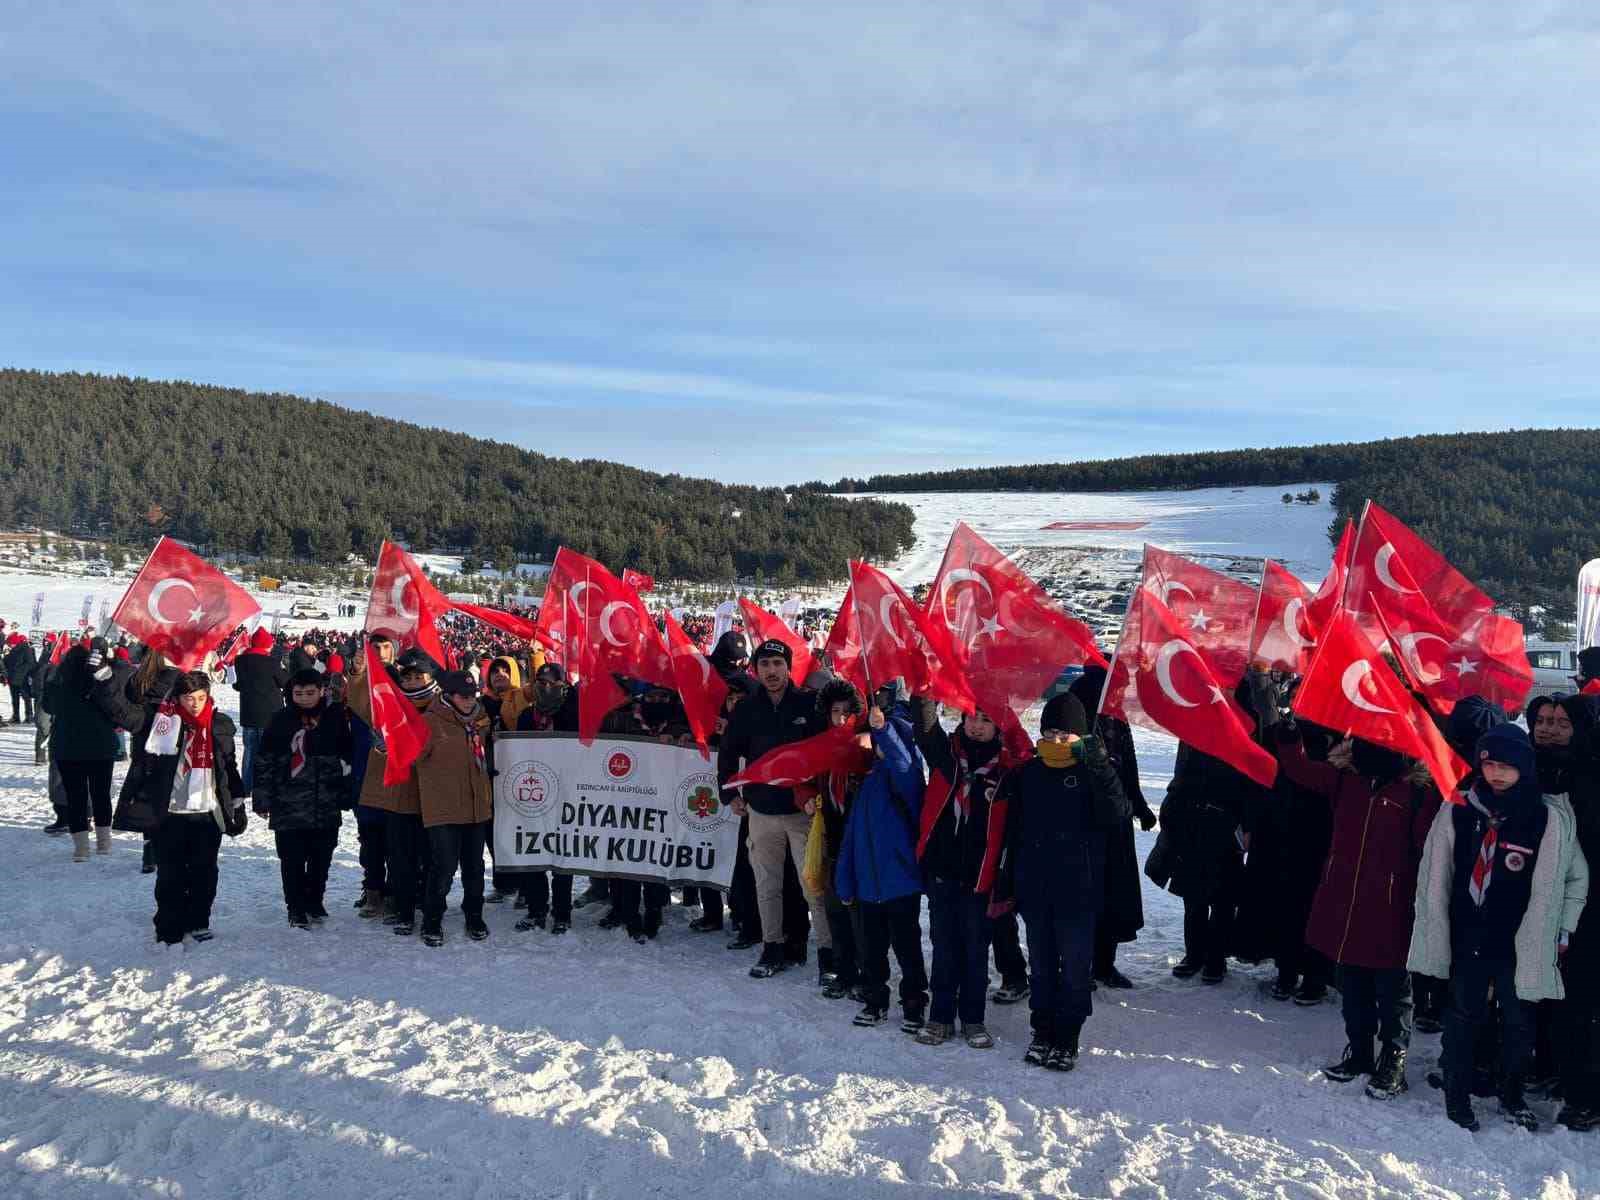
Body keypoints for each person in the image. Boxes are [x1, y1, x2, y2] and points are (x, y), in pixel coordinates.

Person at [1409, 722, 1590, 1131]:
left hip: (1521, 939)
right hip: (1468, 934)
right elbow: (1435, 870)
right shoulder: (1460, 807)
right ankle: (1456, 1093)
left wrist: (1564, 927)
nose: (1497, 774)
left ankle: (1512, 1092)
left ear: (1524, 767)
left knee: (1518, 1022)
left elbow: (1576, 877)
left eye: (1508, 766)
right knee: (1462, 1015)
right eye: (1490, 764)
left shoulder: (1546, 817)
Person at [1272, 718, 1440, 1100]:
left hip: (1393, 905)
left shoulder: (1417, 791)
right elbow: (1301, 771)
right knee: (1353, 984)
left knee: (1394, 990)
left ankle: (1393, 1059)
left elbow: (1427, 851)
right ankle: (1361, 1052)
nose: (1376, 745)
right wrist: (1289, 737)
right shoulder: (1347, 778)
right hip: (1345, 900)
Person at [994, 692, 1130, 1071]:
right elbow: (1013, 833)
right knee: (1040, 967)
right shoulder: (1029, 774)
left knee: (1074, 969)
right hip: (1036, 890)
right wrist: (1013, 883)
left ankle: (1067, 1035)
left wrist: (1101, 766)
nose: (1056, 741)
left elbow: (1117, 814)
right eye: (1050, 732)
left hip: (1078, 892)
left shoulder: (1091, 773)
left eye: (1065, 735)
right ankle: (1042, 1029)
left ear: (1081, 737)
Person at [718, 639, 827, 977]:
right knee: (767, 885)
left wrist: (817, 794)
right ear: (756, 669)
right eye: (764, 665)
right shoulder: (747, 709)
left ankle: (827, 956)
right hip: (761, 813)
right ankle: (772, 949)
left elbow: (824, 753)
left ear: (788, 667)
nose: (771, 672)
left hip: (801, 813)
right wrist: (728, 794)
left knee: (814, 888)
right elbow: (728, 753)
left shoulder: (809, 705)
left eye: (777, 664)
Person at [118, 671, 246, 945]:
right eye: (189, 698)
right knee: (170, 874)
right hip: (170, 812)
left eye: (201, 698)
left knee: (205, 872)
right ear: (177, 698)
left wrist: (237, 800)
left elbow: (228, 766)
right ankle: (168, 924)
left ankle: (199, 920)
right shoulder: (162, 722)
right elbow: (123, 714)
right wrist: (104, 678)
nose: (195, 704)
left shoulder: (218, 724)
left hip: (206, 812)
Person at [910, 692, 1007, 1048]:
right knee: (944, 945)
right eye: (970, 718)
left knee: (976, 948)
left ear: (998, 725)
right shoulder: (947, 755)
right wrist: (925, 685)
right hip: (943, 872)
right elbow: (924, 727)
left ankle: (973, 1018)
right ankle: (939, 1016)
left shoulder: (1007, 767)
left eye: (985, 719)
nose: (976, 727)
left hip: (981, 876)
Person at [834, 685, 928, 1032]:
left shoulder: (908, 778)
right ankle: (875, 1000)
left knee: (908, 948)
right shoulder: (869, 781)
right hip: (867, 886)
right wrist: (844, 880)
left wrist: (884, 728)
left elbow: (903, 762)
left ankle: (915, 1001)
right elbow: (851, 839)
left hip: (900, 883)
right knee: (871, 951)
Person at [1070, 667, 1158, 990]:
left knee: (1113, 894)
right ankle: (1080, 965)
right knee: (1085, 896)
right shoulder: (1081, 701)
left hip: (1117, 819)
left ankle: (1104, 965)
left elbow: (1127, 765)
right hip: (1085, 821)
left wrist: (1140, 806)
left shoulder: (1115, 714)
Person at [255, 669, 354, 929]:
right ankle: (295, 907)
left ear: (322, 691)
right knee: (292, 859)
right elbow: (264, 760)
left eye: (310, 693)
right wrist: (263, 797)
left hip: (325, 801)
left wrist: (345, 791)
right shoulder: (280, 720)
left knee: (322, 857)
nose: (304, 698)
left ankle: (315, 900)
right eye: (298, 693)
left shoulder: (334, 718)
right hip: (289, 803)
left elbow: (347, 756)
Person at [351, 647, 437, 937]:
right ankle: (401, 907)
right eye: (407, 677)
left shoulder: (443, 704)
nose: (412, 682)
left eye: (418, 676)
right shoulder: (390, 702)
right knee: (400, 855)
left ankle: (427, 903)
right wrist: (360, 673)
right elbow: (361, 703)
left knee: (431, 855)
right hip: (399, 791)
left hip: (434, 792)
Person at [414, 669, 494, 946]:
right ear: (448, 695)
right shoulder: (431, 721)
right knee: (443, 867)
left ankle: (474, 915)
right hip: (444, 807)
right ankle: (432, 919)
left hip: (476, 806)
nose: (470, 701)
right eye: (463, 696)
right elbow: (411, 756)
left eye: (473, 695)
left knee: (474, 867)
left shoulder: (482, 721)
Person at [799, 679, 868, 998]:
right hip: (830, 838)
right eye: (834, 712)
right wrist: (806, 799)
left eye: (846, 713)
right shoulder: (820, 744)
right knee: (834, 909)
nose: (840, 719)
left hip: (861, 842)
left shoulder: (867, 745)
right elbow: (802, 779)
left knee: (860, 913)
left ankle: (867, 973)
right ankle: (842, 970)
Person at [42, 638, 123, 862]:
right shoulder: (98, 682)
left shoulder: (59, 684)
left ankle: (81, 849)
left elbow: (47, 706)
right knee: (101, 794)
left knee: (75, 797)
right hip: (101, 747)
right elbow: (114, 707)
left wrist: (51, 681)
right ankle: (104, 843)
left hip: (68, 748)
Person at [514, 662, 580, 933]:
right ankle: (536, 909)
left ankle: (562, 913)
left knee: (562, 856)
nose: (546, 688)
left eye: (552, 683)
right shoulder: (526, 717)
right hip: (534, 794)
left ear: (563, 686)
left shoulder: (572, 714)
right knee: (534, 852)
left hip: (566, 794)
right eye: (541, 683)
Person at [232, 627, 287, 796]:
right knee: (268, 752)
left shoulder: (240, 661)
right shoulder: (271, 662)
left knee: (250, 751)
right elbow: (284, 681)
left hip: (249, 714)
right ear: (266, 645)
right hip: (270, 714)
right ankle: (265, 786)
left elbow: (240, 684)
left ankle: (247, 786)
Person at [5, 630, 38, 724]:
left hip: (22, 678)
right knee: (14, 699)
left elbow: (30, 663)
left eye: (10, 643)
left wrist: (20, 672)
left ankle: (29, 716)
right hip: (12, 678)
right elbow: (9, 662)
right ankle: (16, 716)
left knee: (26, 697)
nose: (9, 645)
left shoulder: (26, 649)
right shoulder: (12, 650)